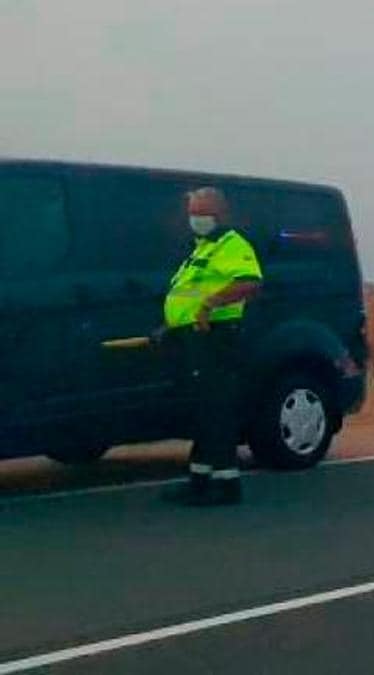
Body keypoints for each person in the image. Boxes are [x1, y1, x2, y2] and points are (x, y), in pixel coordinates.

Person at [162, 187, 263, 506]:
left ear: (220, 213)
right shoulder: (202, 249)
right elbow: (186, 295)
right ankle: (200, 480)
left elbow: (250, 282)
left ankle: (226, 484)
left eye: (202, 213)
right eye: (193, 213)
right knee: (203, 410)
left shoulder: (232, 245)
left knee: (216, 409)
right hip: (193, 337)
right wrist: (170, 326)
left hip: (215, 337)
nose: (196, 219)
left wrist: (208, 306)